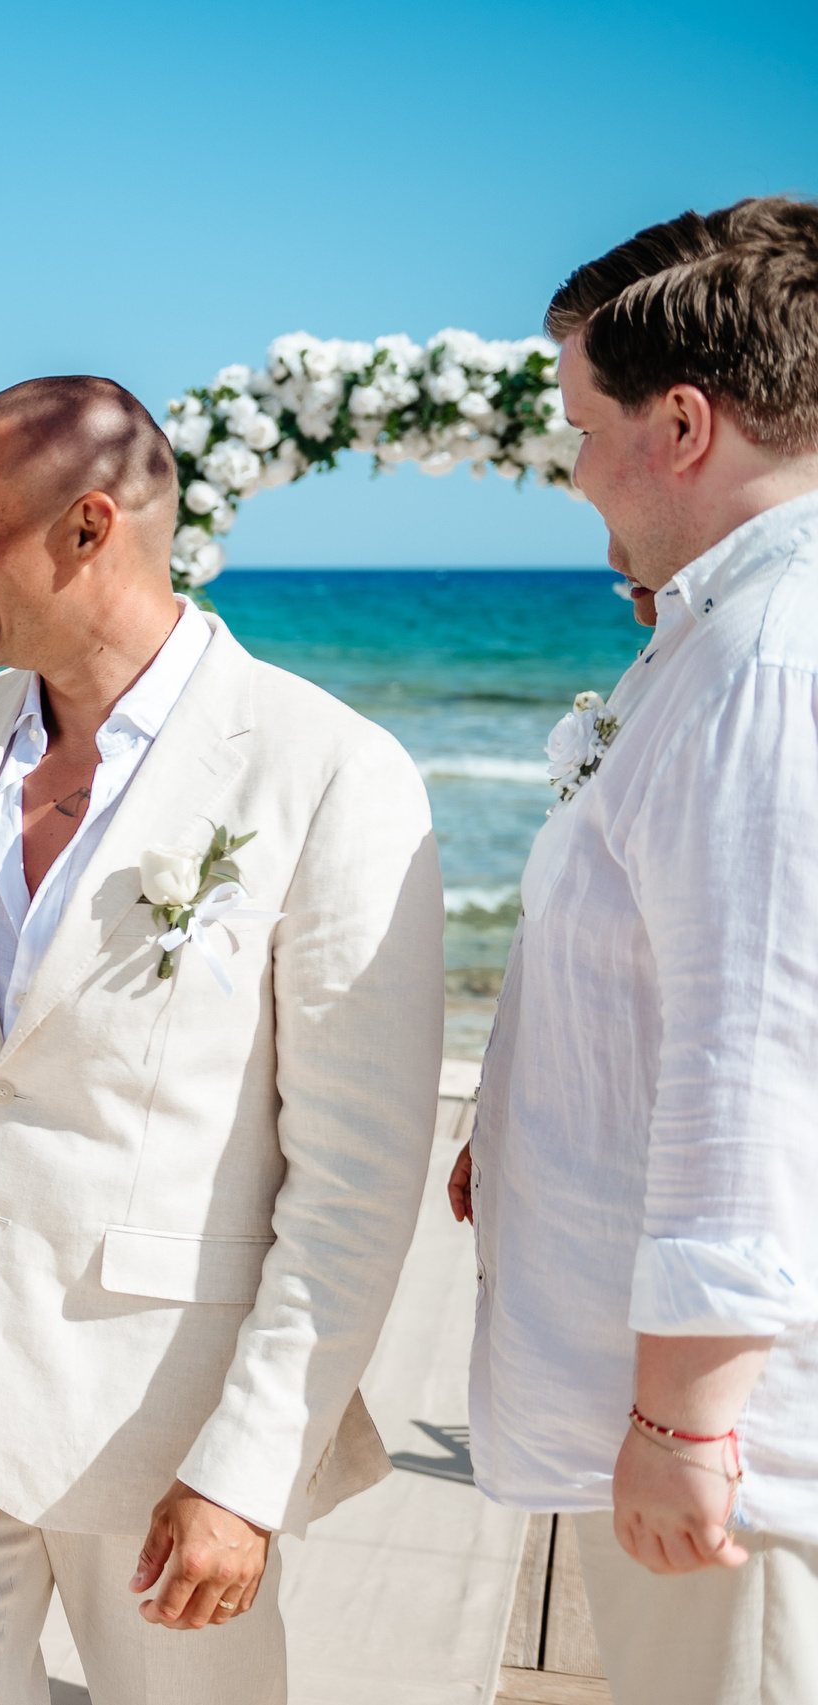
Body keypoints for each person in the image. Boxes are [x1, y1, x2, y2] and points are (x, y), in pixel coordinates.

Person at [0, 378, 447, 1705]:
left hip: (163, 1414)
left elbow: (353, 1176)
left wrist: (248, 1467)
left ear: (87, 528)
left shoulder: (327, 768)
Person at [456, 198, 818, 1705]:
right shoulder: (720, 638)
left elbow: (755, 1056)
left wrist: (684, 1420)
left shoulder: (768, 659)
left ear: (680, 424)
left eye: (582, 427)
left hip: (744, 1459)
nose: (573, 469)